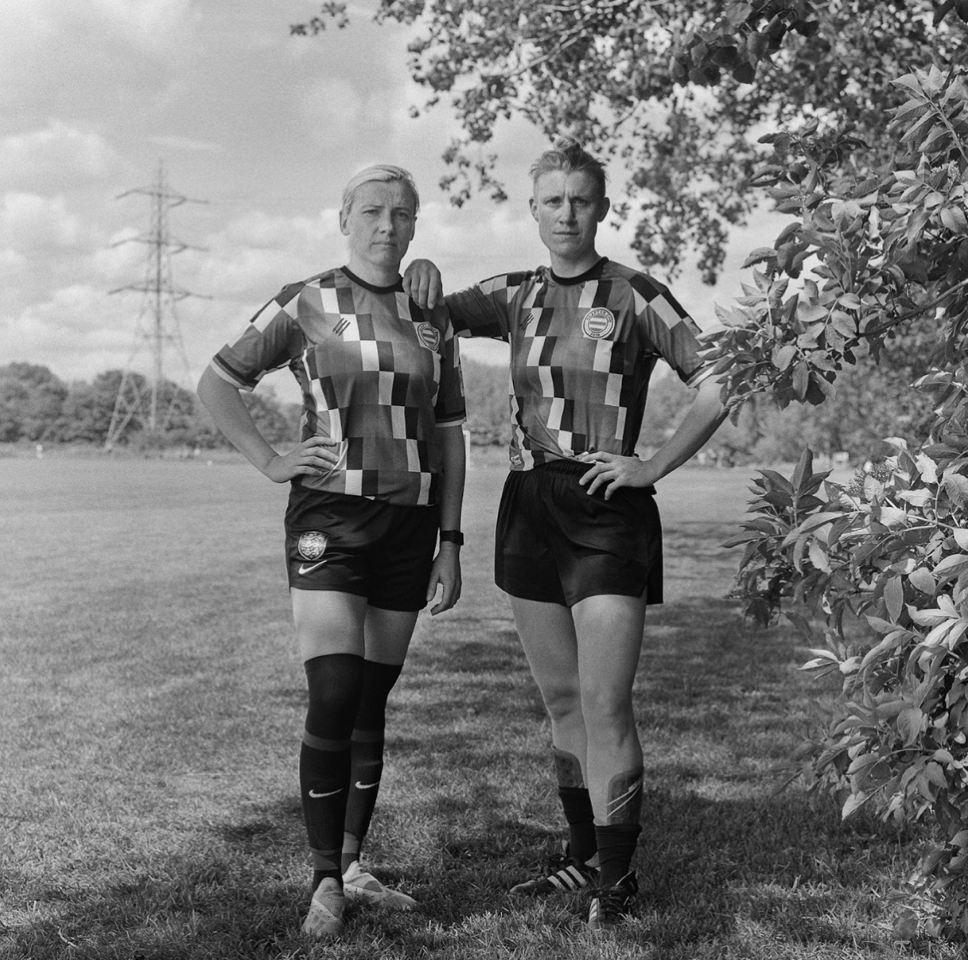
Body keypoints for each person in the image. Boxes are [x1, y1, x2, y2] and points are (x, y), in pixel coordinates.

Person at [404, 138, 725, 931]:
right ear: (535, 209)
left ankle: (619, 879)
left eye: (581, 199)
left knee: (604, 699)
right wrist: (423, 277)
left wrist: (651, 465)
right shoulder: (513, 294)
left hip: (606, 505)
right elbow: (424, 315)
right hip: (528, 504)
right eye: (553, 200)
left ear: (602, 208)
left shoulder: (638, 295)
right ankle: (581, 854)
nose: (567, 213)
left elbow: (722, 381)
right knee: (559, 699)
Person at [197, 165, 466, 941]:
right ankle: (323, 882)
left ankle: (353, 865)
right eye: (374, 211)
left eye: (403, 214)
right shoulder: (305, 300)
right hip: (330, 521)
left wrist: (450, 542)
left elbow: (449, 438)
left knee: (372, 703)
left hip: (411, 528)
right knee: (334, 694)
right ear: (344, 217)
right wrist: (271, 459)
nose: (389, 225)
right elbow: (218, 383)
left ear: (416, 225)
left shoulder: (430, 314)